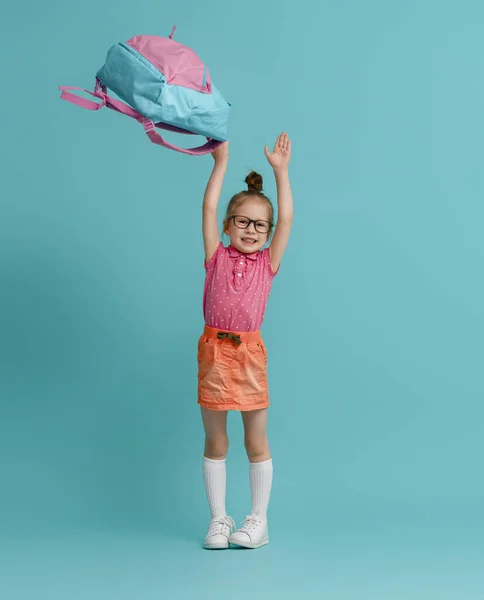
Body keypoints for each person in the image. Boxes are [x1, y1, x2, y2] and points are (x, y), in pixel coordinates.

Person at [199, 133, 293, 549]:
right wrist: (220, 163)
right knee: (216, 439)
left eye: (260, 225)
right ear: (227, 225)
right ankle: (219, 519)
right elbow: (207, 206)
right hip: (214, 352)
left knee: (255, 438)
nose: (251, 230)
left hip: (250, 354)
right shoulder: (215, 256)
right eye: (243, 222)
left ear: (267, 231)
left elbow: (287, 219)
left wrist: (280, 172)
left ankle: (259, 520)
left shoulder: (267, 266)